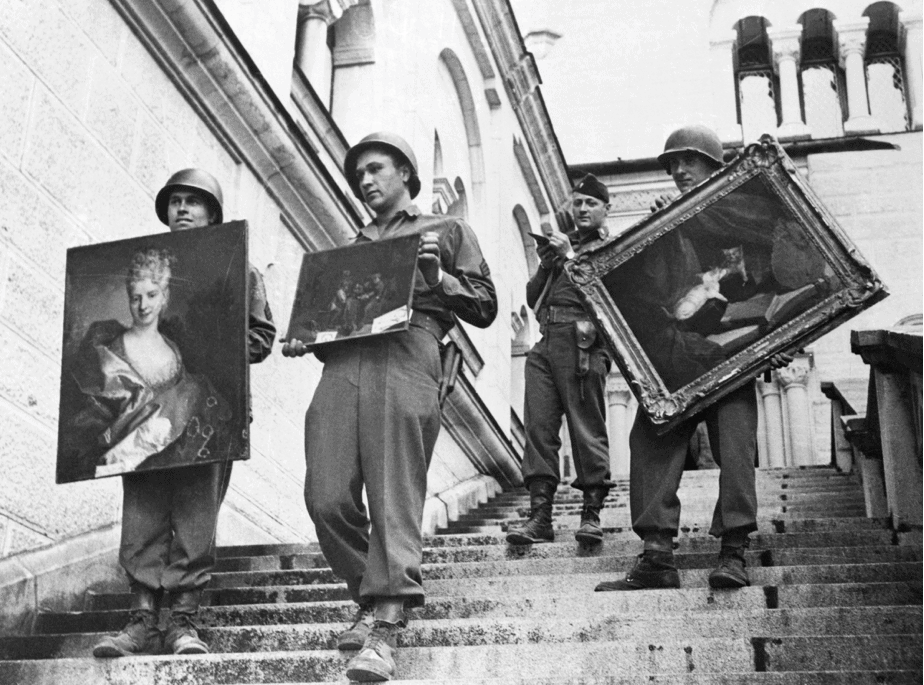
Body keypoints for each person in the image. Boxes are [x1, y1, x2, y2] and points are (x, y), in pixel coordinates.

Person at [283, 132, 497, 682]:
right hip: (344, 364)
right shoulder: (351, 247)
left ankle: (385, 622)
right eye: (359, 177)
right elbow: (333, 316)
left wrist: (437, 277)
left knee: (393, 489)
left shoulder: (445, 231)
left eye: (376, 169)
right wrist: (308, 334)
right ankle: (369, 592)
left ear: (406, 172)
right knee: (326, 496)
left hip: (409, 354)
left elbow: (486, 306)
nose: (366, 182)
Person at [594, 125, 791, 593]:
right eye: (672, 163)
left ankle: (734, 552)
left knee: (736, 448)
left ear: (716, 167)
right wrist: (659, 235)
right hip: (676, 356)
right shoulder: (667, 225)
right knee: (652, 440)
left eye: (690, 160)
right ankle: (657, 556)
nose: (679, 170)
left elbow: (780, 284)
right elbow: (652, 293)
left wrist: (779, 338)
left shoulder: (750, 218)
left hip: (732, 351)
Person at [92, 168, 275, 657]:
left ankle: (183, 622)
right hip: (148, 414)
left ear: (213, 212)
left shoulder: (240, 267)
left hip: (207, 416)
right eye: (175, 202)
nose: (183, 210)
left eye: (194, 202)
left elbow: (260, 339)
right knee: (144, 510)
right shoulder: (146, 271)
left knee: (195, 514)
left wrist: (214, 338)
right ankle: (141, 621)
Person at [506, 174, 613, 547]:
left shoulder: (611, 248)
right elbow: (534, 297)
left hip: (582, 344)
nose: (582, 209)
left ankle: (592, 513)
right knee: (538, 427)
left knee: (587, 428)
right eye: (578, 202)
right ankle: (540, 516)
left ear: (606, 209)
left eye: (591, 203)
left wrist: (568, 257)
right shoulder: (565, 249)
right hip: (545, 341)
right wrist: (546, 264)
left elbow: (603, 291)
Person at [61, 249, 232, 482]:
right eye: (135, 297)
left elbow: (185, 408)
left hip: (177, 469)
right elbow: (100, 419)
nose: (143, 306)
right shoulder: (111, 350)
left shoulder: (173, 349)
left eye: (152, 295)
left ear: (165, 296)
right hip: (128, 466)